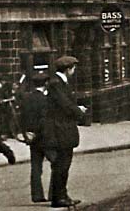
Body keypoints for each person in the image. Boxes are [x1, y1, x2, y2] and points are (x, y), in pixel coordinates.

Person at [43, 55, 85, 208]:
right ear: (68, 69)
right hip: (60, 130)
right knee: (62, 165)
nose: (74, 71)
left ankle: (62, 195)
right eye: (73, 68)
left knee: (63, 165)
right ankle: (58, 197)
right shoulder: (57, 84)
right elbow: (65, 105)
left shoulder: (59, 83)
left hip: (62, 130)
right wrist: (78, 111)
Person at [20, 71, 51, 203]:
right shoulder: (45, 100)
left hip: (32, 137)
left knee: (36, 167)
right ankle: (54, 193)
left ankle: (37, 195)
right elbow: (44, 120)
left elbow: (22, 118)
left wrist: (26, 134)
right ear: (46, 83)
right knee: (56, 164)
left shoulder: (26, 98)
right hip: (45, 137)